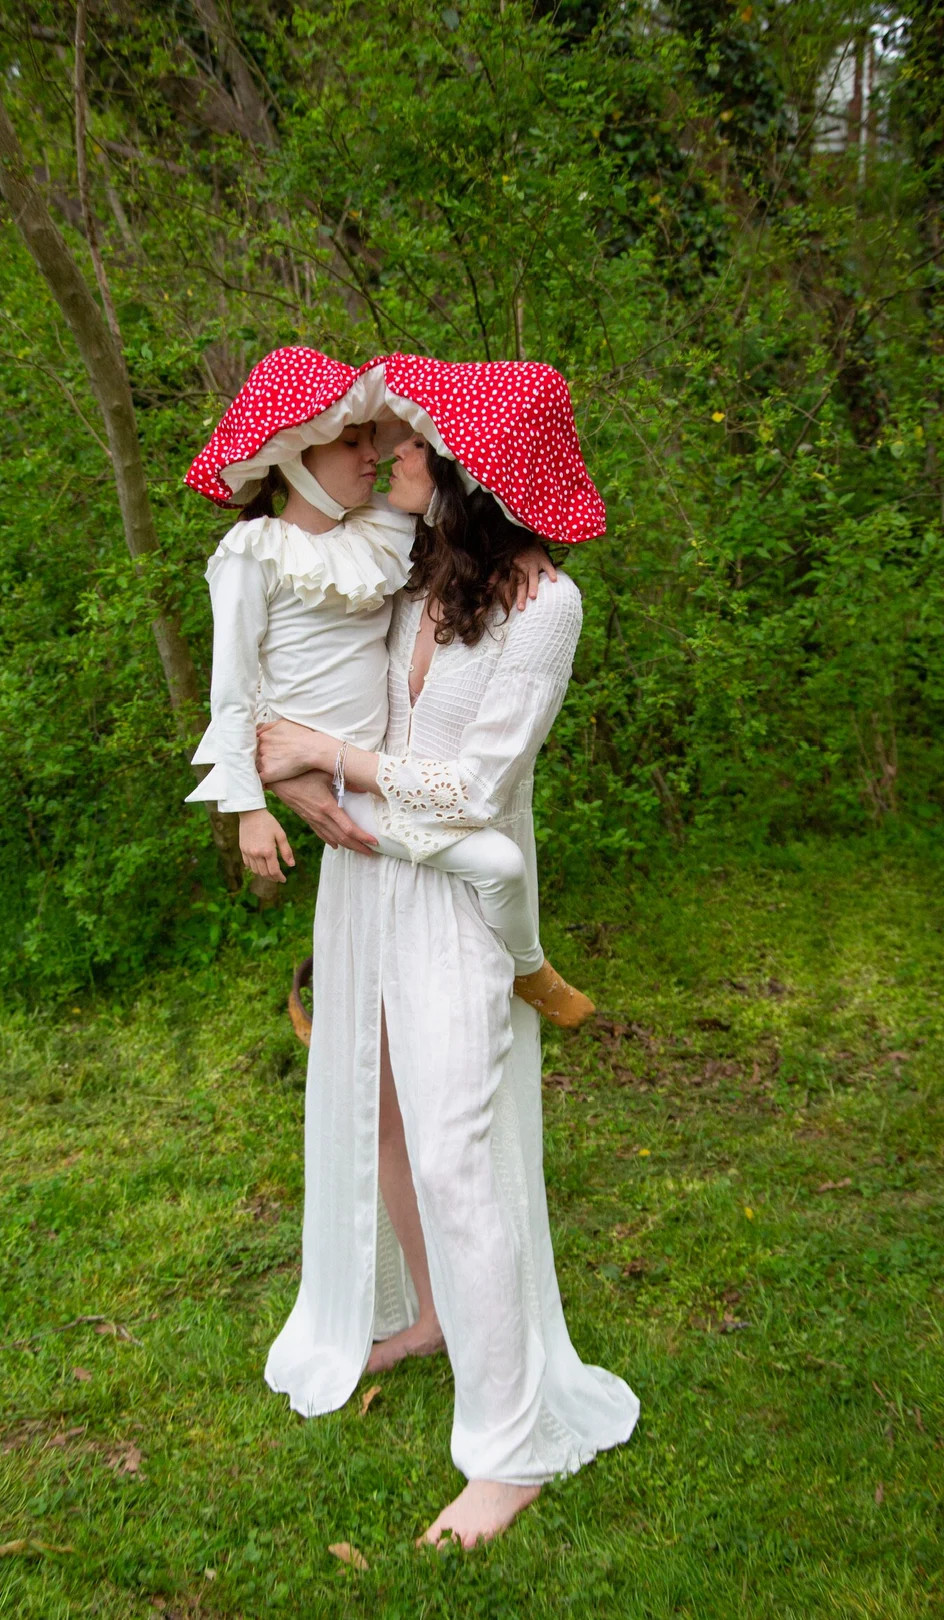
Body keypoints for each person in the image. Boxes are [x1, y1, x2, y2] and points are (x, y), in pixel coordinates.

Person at [257, 354, 640, 1550]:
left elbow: (475, 786)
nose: (394, 459)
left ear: (473, 475)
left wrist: (328, 752)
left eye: (418, 446)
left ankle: (512, 1447)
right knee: (373, 1111)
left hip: (456, 901)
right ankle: (422, 1313)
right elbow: (286, 531)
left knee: (461, 1154)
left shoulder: (547, 605)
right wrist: (281, 780)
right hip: (364, 879)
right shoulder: (417, 572)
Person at [184, 346, 593, 1024]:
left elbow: (475, 510)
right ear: (295, 455)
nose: (380, 453)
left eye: (384, 439)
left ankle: (517, 969)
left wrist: (525, 544)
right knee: (498, 864)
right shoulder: (251, 554)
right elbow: (232, 686)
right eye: (353, 442)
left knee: (497, 865)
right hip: (343, 784)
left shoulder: (381, 536)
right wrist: (251, 803)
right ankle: (529, 968)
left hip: (370, 770)